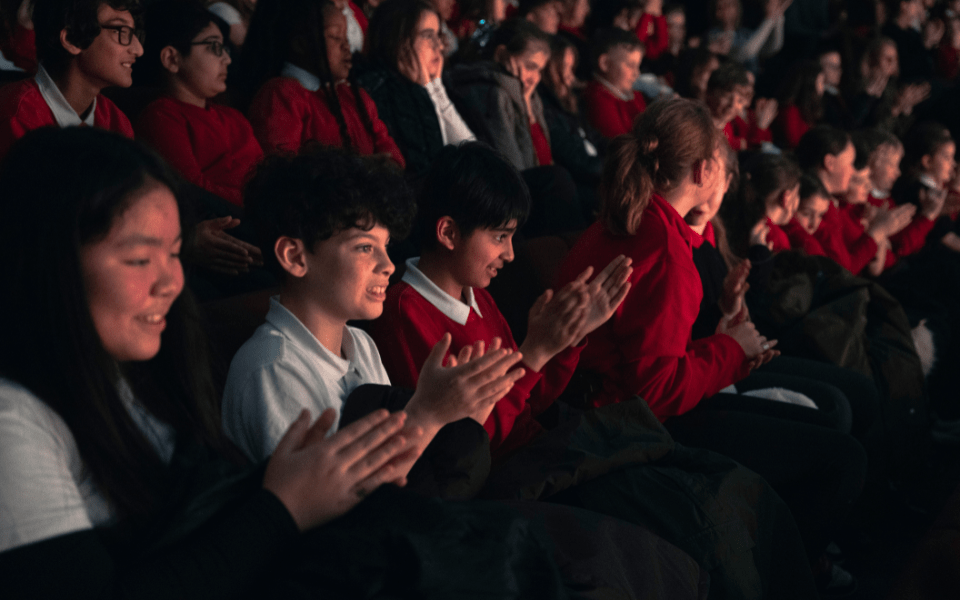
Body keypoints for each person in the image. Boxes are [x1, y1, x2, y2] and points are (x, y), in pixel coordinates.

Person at [369, 140, 825, 600]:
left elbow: (533, 399)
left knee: (726, 490)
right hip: (513, 482)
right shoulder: (406, 314)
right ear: (448, 233)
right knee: (697, 526)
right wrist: (535, 354)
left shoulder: (477, 294)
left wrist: (569, 341)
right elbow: (472, 443)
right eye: (499, 236)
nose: (509, 254)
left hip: (548, 449)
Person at [0, 127, 425, 598]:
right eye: (140, 259)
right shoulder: (13, 422)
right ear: (47, 259)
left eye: (177, 254)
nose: (170, 282)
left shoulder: (139, 381)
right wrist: (284, 505)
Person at [557, 99, 867, 591]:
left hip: (607, 410)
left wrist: (728, 343)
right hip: (622, 428)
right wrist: (730, 352)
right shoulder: (661, 245)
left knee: (835, 417)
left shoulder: (635, 221)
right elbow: (653, 393)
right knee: (841, 458)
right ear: (704, 170)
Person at [222, 146, 526, 465]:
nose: (388, 265)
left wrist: (466, 416)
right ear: (295, 257)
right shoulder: (271, 368)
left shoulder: (361, 345)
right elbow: (332, 506)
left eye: (386, 246)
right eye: (365, 247)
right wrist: (431, 416)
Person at [447, 17, 584, 235]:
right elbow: (514, 165)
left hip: (525, 186)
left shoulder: (527, 96)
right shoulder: (491, 92)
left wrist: (527, 108)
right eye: (530, 67)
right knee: (558, 180)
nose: (535, 78)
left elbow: (541, 156)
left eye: (540, 70)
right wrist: (521, 104)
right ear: (502, 55)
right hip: (499, 192)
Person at [241, 0, 404, 166]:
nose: (346, 45)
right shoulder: (281, 95)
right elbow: (281, 168)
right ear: (300, 44)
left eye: (346, 36)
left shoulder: (357, 97)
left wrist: (389, 164)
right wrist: (359, 167)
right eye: (335, 36)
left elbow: (391, 153)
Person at [136, 0, 263, 208]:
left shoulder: (234, 118)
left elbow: (265, 178)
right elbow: (193, 190)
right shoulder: (161, 118)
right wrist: (258, 203)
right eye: (214, 46)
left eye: (225, 48)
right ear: (172, 59)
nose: (226, 59)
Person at [0, 0, 139, 160]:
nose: (138, 49)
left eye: (134, 33)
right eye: (120, 31)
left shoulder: (117, 121)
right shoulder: (17, 117)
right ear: (72, 40)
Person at [356, 0, 476, 176]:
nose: (440, 46)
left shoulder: (421, 85)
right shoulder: (380, 91)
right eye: (428, 36)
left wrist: (435, 87)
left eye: (438, 35)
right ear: (400, 41)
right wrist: (426, 89)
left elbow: (472, 152)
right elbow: (431, 166)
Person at [581, 27, 645, 139]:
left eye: (638, 66)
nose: (636, 73)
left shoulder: (635, 95)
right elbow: (620, 142)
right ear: (605, 63)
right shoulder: (598, 100)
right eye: (630, 65)